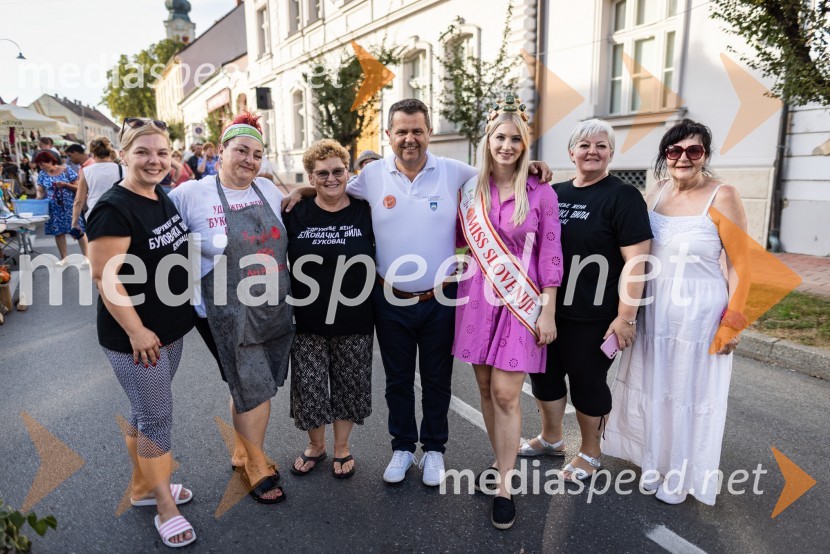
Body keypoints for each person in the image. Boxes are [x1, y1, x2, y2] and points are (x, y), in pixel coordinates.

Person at [310, 98, 552, 487]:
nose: (410, 139)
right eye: (401, 131)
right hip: (389, 298)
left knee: (438, 381)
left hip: (443, 298)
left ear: (429, 133)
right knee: (397, 381)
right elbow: (332, 189)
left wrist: (534, 168)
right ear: (388, 135)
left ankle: (435, 449)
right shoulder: (372, 176)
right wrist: (298, 195)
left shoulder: (456, 172)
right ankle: (403, 447)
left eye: (417, 131)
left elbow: (502, 170)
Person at [602, 119, 748, 505]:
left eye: (694, 151)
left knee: (688, 391)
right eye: (675, 151)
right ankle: (654, 462)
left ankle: (681, 473)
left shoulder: (723, 195)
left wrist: (733, 321)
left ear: (705, 156)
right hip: (655, 308)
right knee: (656, 387)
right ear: (665, 156)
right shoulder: (658, 191)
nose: (684, 158)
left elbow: (740, 264)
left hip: (699, 313)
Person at [169, 112, 293, 504]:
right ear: (220, 151)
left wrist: (305, 192)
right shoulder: (191, 194)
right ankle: (256, 463)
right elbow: (159, 238)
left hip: (271, 303)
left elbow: (296, 209)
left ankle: (241, 449)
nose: (249, 161)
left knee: (246, 380)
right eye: (241, 150)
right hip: (222, 308)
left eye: (257, 154)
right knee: (254, 384)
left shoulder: (269, 191)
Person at [521, 119, 652, 484]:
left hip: (593, 313)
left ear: (611, 153)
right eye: (584, 145)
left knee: (586, 381)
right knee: (544, 377)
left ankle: (591, 452)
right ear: (571, 152)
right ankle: (551, 438)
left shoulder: (622, 196)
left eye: (601, 145)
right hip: (548, 308)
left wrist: (626, 315)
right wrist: (529, 171)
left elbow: (637, 262)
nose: (592, 151)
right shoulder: (555, 192)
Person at [86, 117, 196, 548]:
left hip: (168, 329)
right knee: (156, 418)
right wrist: (135, 330)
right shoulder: (114, 207)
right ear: (122, 155)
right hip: (136, 337)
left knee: (143, 411)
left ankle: (143, 489)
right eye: (143, 152)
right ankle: (164, 505)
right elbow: (104, 275)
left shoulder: (159, 195)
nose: (154, 160)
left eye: (162, 152)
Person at [453, 95, 562, 529]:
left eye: (516, 138)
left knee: (505, 393)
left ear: (525, 144)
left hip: (521, 302)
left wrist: (548, 310)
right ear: (488, 140)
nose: (507, 145)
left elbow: (552, 254)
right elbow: (455, 238)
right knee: (483, 387)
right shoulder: (469, 189)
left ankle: (505, 484)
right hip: (478, 297)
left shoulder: (542, 191)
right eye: (500, 136)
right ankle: (499, 462)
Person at [283, 139, 375, 479]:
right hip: (307, 316)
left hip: (356, 315)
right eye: (322, 173)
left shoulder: (365, 209)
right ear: (311, 177)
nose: (331, 178)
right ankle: (316, 447)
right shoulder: (295, 212)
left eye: (338, 171)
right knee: (310, 387)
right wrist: (301, 193)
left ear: (348, 172)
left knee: (349, 384)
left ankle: (341, 447)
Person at [33, 150, 89, 265]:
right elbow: (40, 189)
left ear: (50, 161)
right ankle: (64, 258)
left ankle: (87, 258)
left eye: (42, 164)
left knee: (78, 231)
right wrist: (38, 196)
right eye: (39, 165)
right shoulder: (42, 174)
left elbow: (78, 187)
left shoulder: (67, 170)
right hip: (54, 208)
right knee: (58, 233)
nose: (41, 167)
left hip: (70, 207)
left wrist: (65, 185)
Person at [71, 137, 121, 230]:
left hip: (96, 215)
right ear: (109, 151)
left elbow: (79, 200)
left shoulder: (86, 171)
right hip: (120, 214)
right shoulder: (122, 169)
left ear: (92, 153)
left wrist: (74, 224)